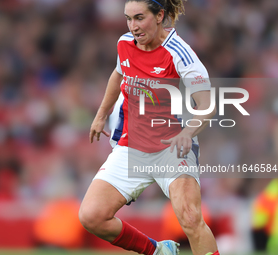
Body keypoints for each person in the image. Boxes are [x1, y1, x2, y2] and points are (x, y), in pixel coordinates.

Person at [79, 0, 220, 254]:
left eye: (139, 18)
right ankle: (157, 251)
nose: (133, 26)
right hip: (131, 147)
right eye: (128, 18)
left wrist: (188, 132)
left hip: (171, 148)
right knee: (91, 216)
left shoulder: (180, 53)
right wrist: (101, 114)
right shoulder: (124, 43)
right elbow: (118, 73)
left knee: (190, 218)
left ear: (159, 16)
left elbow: (207, 105)